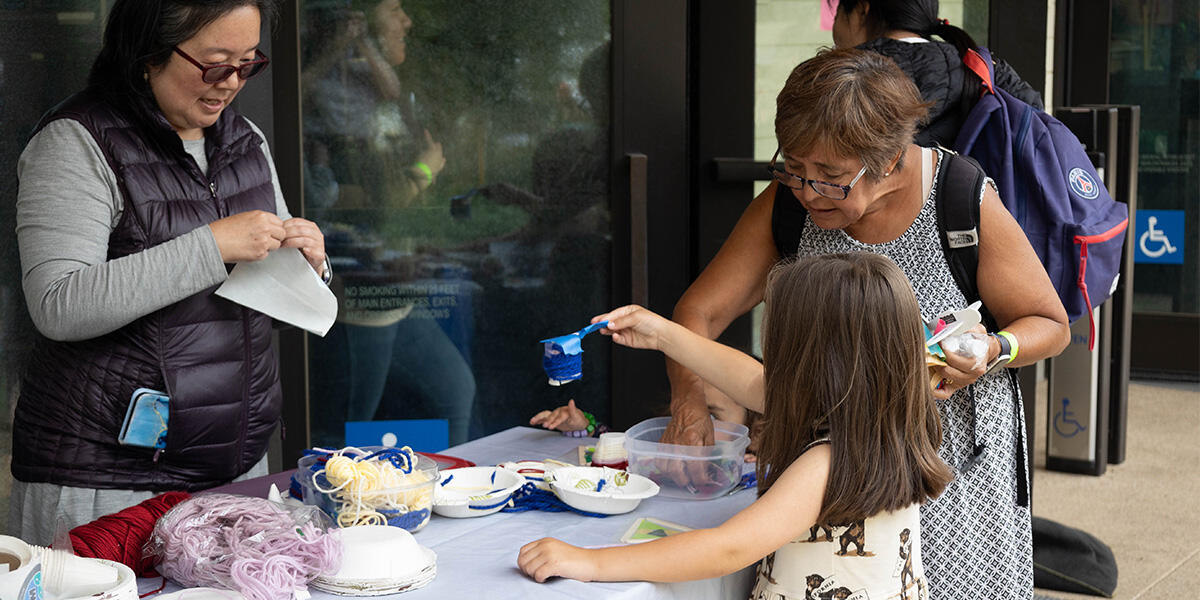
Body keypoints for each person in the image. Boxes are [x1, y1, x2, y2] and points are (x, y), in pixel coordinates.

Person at [664, 48, 1070, 597]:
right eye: (794, 169)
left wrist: (994, 348)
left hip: (953, 473)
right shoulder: (790, 204)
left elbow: (1049, 322)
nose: (806, 191)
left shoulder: (958, 199)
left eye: (830, 178)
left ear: (888, 159)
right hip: (827, 469)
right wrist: (689, 403)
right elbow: (699, 313)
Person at [8, 0, 328, 544]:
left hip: (235, 469)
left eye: (247, 63)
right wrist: (210, 246)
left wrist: (308, 264)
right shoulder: (76, 141)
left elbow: (262, 298)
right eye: (214, 62)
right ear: (148, 51)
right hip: (109, 482)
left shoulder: (245, 139)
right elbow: (58, 304)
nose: (230, 83)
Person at [519, 253, 955, 600]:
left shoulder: (827, 460)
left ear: (817, 367)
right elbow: (748, 380)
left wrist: (589, 562)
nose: (770, 356)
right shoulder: (887, 420)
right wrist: (663, 334)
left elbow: (728, 548)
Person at [300, 0, 476, 448]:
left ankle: (453, 496)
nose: (408, 20)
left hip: (391, 290)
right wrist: (425, 170)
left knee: (456, 391)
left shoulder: (383, 98)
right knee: (344, 426)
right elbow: (382, 204)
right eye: (395, 8)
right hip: (360, 294)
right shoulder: (328, 113)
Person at [831, 0, 1044, 147]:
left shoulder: (832, 78)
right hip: (977, 210)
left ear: (861, 10)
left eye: (838, 13)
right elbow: (1038, 134)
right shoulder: (987, 71)